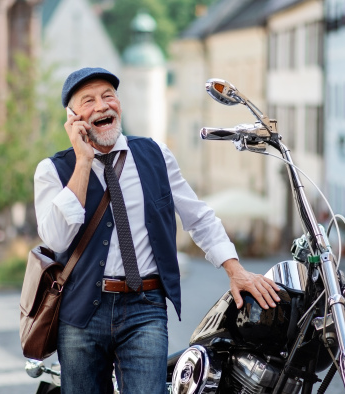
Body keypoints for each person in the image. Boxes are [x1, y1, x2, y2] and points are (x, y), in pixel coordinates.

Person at [33, 67, 282, 394]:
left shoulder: (155, 155)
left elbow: (198, 216)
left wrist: (235, 270)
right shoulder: (52, 170)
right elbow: (56, 239)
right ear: (73, 117)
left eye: (108, 96)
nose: (102, 105)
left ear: (119, 104)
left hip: (144, 308)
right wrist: (83, 162)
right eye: (89, 100)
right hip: (81, 312)